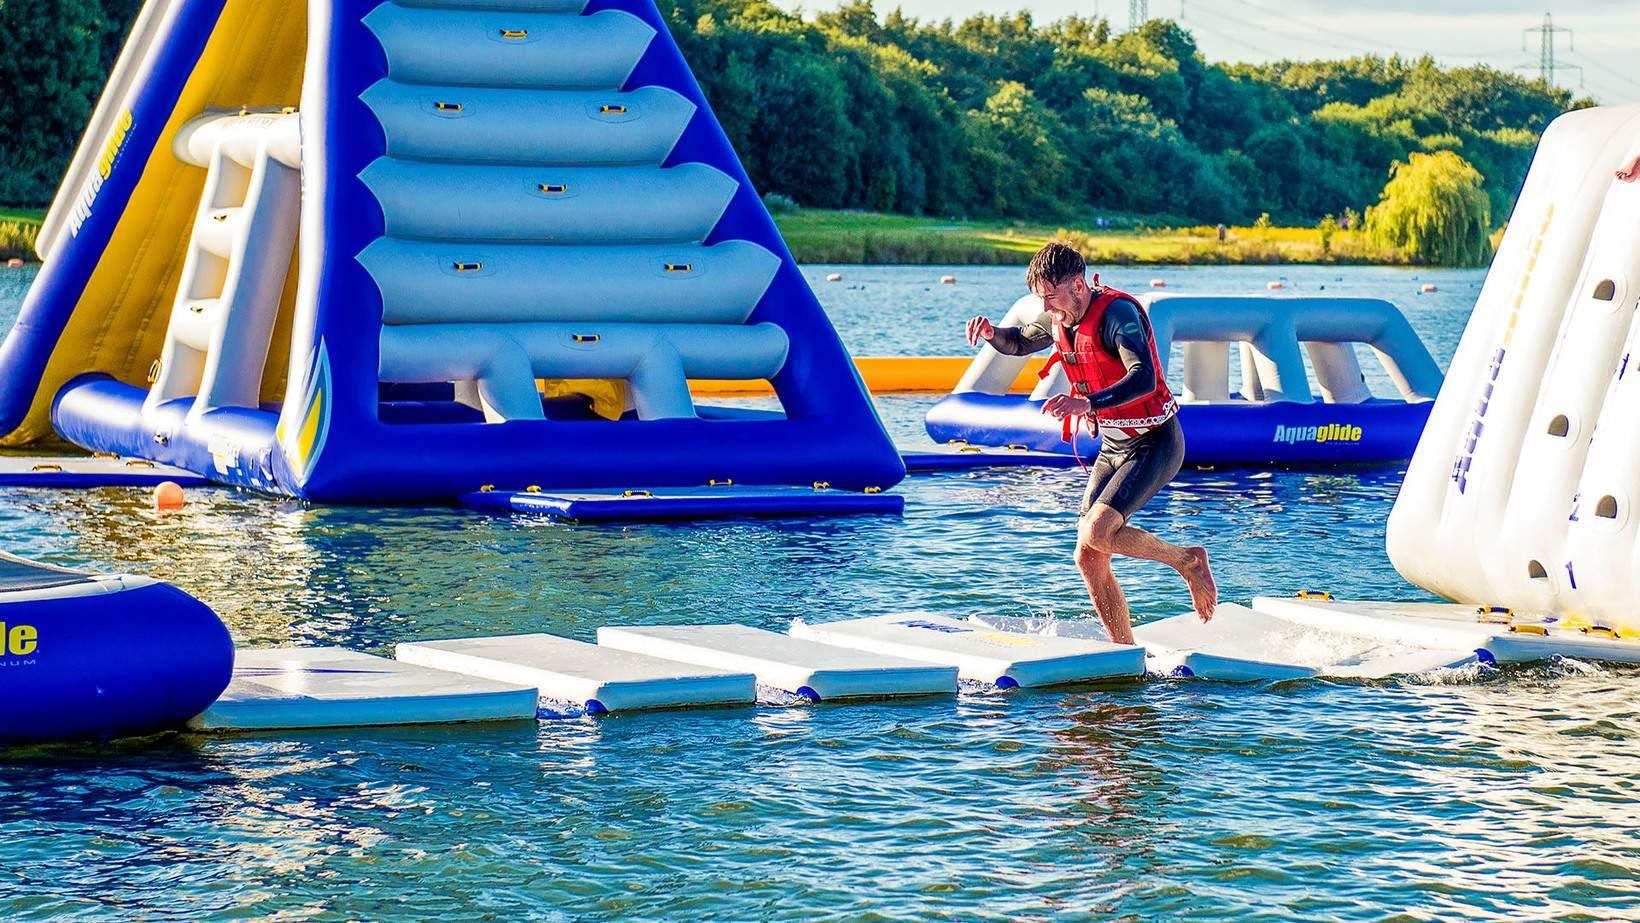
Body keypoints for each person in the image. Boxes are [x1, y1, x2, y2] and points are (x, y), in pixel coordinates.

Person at [965, 241, 1216, 644]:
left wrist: (1086, 402)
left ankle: (1186, 560)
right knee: (1087, 553)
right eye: (1040, 299)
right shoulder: (1058, 317)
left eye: (1052, 296)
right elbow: (1021, 341)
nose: (1047, 308)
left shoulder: (1117, 314)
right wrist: (993, 334)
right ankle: (1123, 649)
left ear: (1078, 285)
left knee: (1098, 531)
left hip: (1155, 440)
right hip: (1114, 446)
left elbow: (1144, 377)